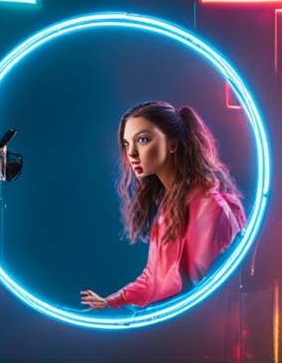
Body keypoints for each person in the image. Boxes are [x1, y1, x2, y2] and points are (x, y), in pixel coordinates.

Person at [80, 101, 246, 311]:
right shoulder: (170, 205)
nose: (131, 153)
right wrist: (113, 301)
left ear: (172, 144)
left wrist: (134, 310)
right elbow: (153, 278)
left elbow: (196, 290)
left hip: (198, 330)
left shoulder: (208, 205)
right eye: (126, 143)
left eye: (142, 140)